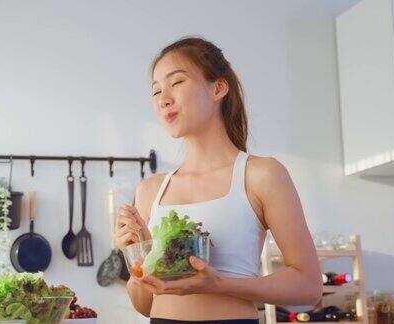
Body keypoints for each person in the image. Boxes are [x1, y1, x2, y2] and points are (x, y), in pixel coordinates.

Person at [115, 37, 322, 324]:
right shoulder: (151, 190)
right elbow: (147, 306)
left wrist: (220, 285)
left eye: (176, 83)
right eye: (156, 91)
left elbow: (309, 286)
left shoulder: (261, 175)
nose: (164, 99)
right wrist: (139, 259)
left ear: (218, 87)